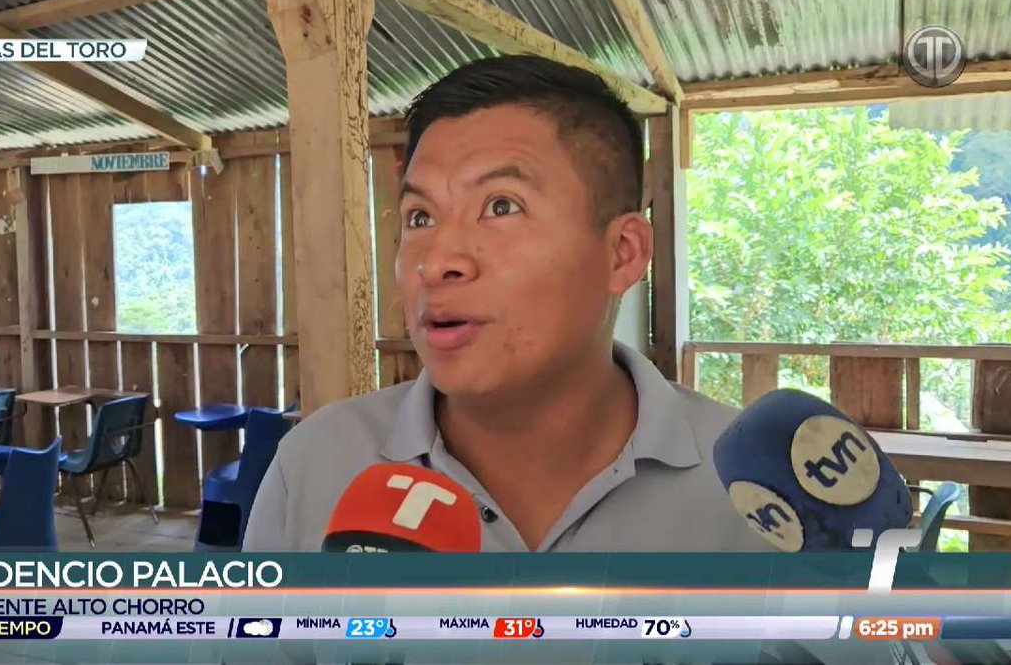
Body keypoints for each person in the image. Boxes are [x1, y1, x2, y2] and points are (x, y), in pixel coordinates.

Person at [243, 54, 766, 552]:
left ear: (622, 254)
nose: (435, 261)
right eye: (419, 217)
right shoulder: (314, 466)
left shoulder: (758, 493)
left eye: (500, 206)